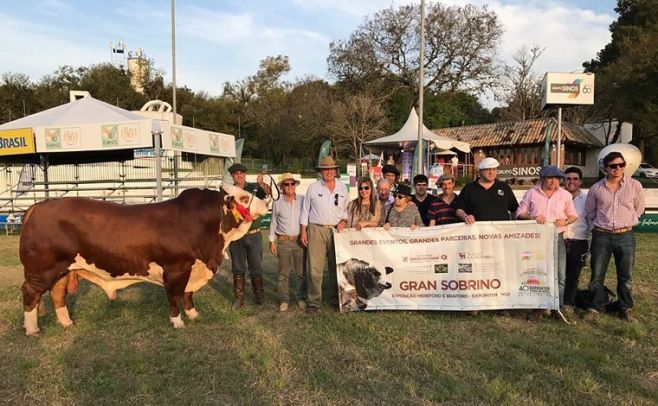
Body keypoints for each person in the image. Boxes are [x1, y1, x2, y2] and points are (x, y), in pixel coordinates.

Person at [584, 152, 645, 322]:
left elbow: (639, 209)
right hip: (601, 236)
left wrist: (627, 222)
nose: (617, 169)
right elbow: (590, 212)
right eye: (613, 165)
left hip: (625, 235)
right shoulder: (596, 189)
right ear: (606, 168)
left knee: (626, 275)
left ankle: (625, 307)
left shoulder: (635, 186)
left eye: (621, 165)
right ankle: (595, 307)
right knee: (597, 274)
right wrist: (598, 227)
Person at [516, 165, 578, 317]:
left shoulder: (565, 195)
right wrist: (532, 218)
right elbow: (519, 213)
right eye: (550, 178)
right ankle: (539, 306)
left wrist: (565, 221)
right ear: (543, 178)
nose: (554, 182)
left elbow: (573, 215)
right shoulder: (532, 193)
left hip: (557, 237)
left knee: (560, 273)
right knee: (537, 272)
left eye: (557, 179)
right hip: (537, 239)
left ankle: (558, 306)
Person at [300, 156, 350, 313]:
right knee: (315, 268)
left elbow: (346, 211)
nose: (328, 172)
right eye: (325, 169)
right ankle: (314, 302)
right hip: (316, 229)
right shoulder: (313, 188)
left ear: (335, 170)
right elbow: (305, 210)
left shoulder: (342, 188)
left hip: (336, 230)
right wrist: (303, 231)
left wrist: (343, 221)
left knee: (336, 266)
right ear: (321, 171)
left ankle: (336, 299)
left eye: (331, 169)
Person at [227, 163, 272, 310]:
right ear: (232, 176)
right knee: (238, 268)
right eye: (236, 174)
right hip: (236, 235)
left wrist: (263, 184)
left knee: (256, 267)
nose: (239, 176)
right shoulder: (228, 192)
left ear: (245, 174)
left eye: (241, 173)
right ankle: (239, 299)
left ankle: (259, 296)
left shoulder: (254, 188)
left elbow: (269, 195)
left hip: (254, 234)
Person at [269, 173, 307, 312]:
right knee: (283, 273)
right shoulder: (277, 203)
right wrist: (272, 242)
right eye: (286, 184)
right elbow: (273, 223)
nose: (290, 186)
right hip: (283, 241)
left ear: (295, 185)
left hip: (299, 241)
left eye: (292, 183)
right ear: (282, 187)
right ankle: (284, 300)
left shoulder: (303, 200)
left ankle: (301, 298)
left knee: (301, 273)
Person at [455, 157, 519, 224]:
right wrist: (465, 217)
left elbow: (515, 210)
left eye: (494, 169)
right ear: (481, 171)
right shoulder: (469, 188)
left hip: (500, 232)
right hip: (477, 232)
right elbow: (459, 210)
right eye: (488, 169)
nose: (491, 172)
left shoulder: (504, 187)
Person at [562, 167, 590, 313]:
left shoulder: (587, 200)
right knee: (557, 273)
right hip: (559, 240)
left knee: (573, 275)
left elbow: (591, 221)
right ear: (564, 180)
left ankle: (568, 303)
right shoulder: (557, 197)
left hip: (578, 241)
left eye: (575, 179)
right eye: (568, 179)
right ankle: (554, 302)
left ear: (580, 181)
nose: (571, 182)